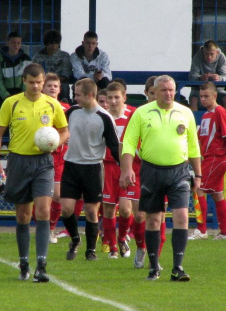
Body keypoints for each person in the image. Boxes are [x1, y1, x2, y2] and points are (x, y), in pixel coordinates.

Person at [0, 63, 68, 282]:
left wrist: (56, 143)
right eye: (31, 82)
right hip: (18, 161)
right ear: (24, 81)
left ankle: (41, 266)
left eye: (39, 82)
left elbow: (64, 131)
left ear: (44, 82)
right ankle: (24, 263)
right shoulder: (11, 103)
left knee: (43, 210)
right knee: (23, 215)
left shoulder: (53, 105)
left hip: (43, 162)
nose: (36, 86)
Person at [120, 75, 201, 281]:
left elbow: (193, 146)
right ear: (153, 92)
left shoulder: (186, 113)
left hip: (179, 171)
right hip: (151, 171)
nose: (168, 93)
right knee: (154, 219)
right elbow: (129, 143)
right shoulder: (141, 113)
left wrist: (198, 175)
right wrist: (127, 169)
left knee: (181, 216)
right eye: (164, 90)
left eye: (171, 90)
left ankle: (178, 268)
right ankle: (154, 267)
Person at [62, 78, 120, 262]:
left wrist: (124, 168)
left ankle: (91, 251)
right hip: (71, 165)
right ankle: (75, 239)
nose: (74, 98)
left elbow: (113, 145)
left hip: (93, 168)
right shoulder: (71, 112)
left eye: (78, 95)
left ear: (89, 95)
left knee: (91, 211)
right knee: (67, 209)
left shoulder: (104, 117)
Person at [188, 82, 226, 240]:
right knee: (217, 195)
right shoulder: (206, 114)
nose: (203, 99)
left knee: (198, 188)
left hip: (216, 158)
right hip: (209, 158)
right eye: (201, 96)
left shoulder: (220, 112)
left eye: (206, 96)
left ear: (215, 96)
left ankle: (201, 230)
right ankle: (225, 232)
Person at [41, 73, 76, 244]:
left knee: (57, 196)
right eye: (50, 86)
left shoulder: (66, 108)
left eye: (56, 86)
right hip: (42, 154)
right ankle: (41, 225)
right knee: (40, 196)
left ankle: (50, 228)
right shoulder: (39, 106)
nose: (53, 88)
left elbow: (70, 130)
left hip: (61, 156)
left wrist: (68, 136)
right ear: (43, 88)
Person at [101, 82, 134, 259]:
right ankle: (112, 246)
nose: (113, 101)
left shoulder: (132, 115)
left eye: (117, 97)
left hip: (126, 167)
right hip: (107, 167)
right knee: (108, 209)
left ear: (124, 97)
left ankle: (122, 238)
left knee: (126, 210)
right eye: (110, 98)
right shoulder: (102, 117)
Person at [189, 40, 226, 112]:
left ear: (217, 53)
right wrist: (200, 78)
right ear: (203, 52)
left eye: (212, 54)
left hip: (217, 89)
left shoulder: (221, 57)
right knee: (193, 99)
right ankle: (194, 122)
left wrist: (219, 78)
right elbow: (192, 76)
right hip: (199, 89)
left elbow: (225, 77)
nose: (209, 57)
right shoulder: (197, 57)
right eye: (206, 54)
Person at [0, 31, 31, 110]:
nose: (16, 45)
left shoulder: (26, 59)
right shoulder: (0, 59)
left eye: (18, 43)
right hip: (4, 95)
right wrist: (6, 95)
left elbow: (28, 77)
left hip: (21, 94)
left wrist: (23, 93)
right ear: (7, 43)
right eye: (13, 42)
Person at [32, 30, 72, 101]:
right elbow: (35, 74)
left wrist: (54, 82)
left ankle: (65, 103)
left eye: (56, 43)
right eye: (51, 43)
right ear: (46, 43)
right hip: (43, 83)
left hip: (60, 82)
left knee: (64, 86)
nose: (54, 46)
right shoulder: (37, 57)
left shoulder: (64, 56)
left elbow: (65, 75)